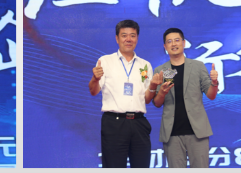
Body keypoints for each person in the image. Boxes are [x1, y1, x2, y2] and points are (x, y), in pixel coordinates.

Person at [88, 20, 161, 168]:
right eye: (124, 35)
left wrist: (153, 86)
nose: (128, 39)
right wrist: (95, 78)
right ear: (117, 38)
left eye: (132, 35)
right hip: (114, 123)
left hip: (139, 123)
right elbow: (93, 91)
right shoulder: (105, 61)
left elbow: (147, 99)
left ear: (137, 38)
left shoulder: (145, 65)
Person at [152, 28, 218, 168]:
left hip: (197, 131)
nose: (173, 44)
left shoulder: (198, 66)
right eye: (169, 41)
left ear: (183, 43)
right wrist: (162, 92)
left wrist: (214, 82)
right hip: (172, 133)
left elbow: (211, 95)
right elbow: (157, 103)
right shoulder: (161, 70)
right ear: (165, 46)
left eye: (177, 40)